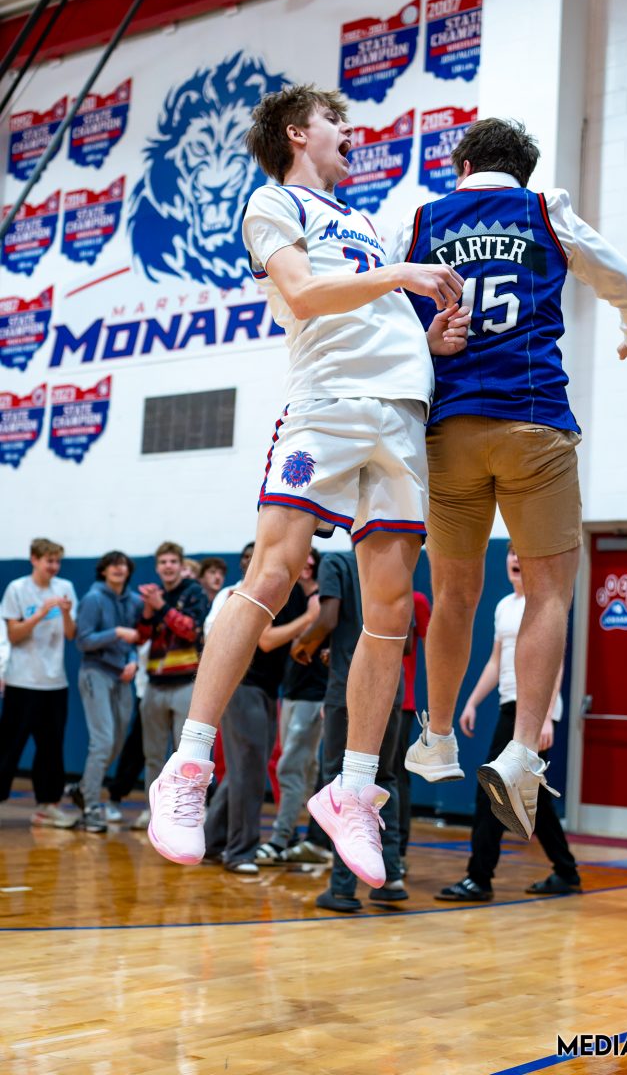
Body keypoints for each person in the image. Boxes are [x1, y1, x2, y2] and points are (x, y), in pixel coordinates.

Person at [146, 82, 468, 888]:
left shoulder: (361, 221)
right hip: (327, 407)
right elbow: (303, 293)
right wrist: (401, 274)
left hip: (401, 413)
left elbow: (371, 313)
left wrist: (426, 339)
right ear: (297, 133)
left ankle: (353, 791)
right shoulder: (273, 203)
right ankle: (187, 767)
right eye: (334, 120)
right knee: (273, 573)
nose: (347, 132)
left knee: (390, 610)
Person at [399, 117, 627, 840]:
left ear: (463, 163)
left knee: (453, 595)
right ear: (523, 169)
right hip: (534, 420)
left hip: (448, 428)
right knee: (548, 593)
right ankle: (520, 756)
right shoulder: (547, 209)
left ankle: (438, 739)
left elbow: (380, 321)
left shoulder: (418, 223)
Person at [436, 546, 581, 902]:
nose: (515, 559)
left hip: (533, 712)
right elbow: (494, 661)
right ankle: (566, 871)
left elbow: (557, 664)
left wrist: (547, 717)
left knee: (493, 790)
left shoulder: (543, 603)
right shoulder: (503, 606)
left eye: (522, 553)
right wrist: (472, 701)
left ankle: (479, 878)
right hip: (508, 707)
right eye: (511, 553)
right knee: (531, 796)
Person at [291, 548, 406, 911]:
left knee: (341, 783)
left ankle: (342, 887)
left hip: (348, 690)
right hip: (391, 690)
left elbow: (327, 617)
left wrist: (304, 643)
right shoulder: (397, 558)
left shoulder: (336, 562)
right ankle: (390, 877)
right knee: (384, 779)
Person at [204, 550, 317, 874]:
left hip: (266, 689)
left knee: (244, 769)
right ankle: (240, 853)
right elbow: (266, 640)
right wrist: (310, 618)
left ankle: (211, 841)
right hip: (243, 686)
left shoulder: (295, 593)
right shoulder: (259, 590)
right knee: (247, 772)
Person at [255, 550, 329, 863]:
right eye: (304, 557)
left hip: (315, 696)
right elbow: (270, 641)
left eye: (312, 558)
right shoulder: (295, 599)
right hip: (292, 692)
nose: (307, 563)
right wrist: (308, 620)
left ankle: (281, 838)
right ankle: (315, 840)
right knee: (305, 769)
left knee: (290, 768)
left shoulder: (328, 598)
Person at [0, 538, 78, 827]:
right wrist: (41, 614)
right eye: (49, 561)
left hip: (55, 682)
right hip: (22, 681)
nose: (54, 566)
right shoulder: (17, 589)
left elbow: (71, 634)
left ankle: (48, 805)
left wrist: (66, 612)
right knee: (9, 747)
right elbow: (14, 635)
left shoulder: (65, 587)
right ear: (34, 559)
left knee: (51, 747)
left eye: (57, 561)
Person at [136, 541, 209, 830]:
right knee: (153, 755)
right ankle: (152, 811)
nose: (167, 566)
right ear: (157, 567)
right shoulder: (156, 596)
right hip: (154, 684)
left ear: (181, 565)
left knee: (186, 755)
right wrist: (147, 611)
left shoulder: (194, 592)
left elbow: (192, 631)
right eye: (163, 562)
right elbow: (141, 637)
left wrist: (161, 607)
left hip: (185, 684)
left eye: (172, 562)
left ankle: (188, 816)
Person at [71, 551, 142, 833]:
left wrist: (133, 661)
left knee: (116, 743)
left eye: (122, 564)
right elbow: (83, 641)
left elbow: (135, 640)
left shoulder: (134, 601)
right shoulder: (93, 598)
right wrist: (117, 633)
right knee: (102, 742)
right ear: (103, 570)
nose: (118, 568)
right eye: (112, 564)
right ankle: (90, 806)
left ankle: (82, 788)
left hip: (122, 676)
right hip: (96, 672)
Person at [396, 590, 431, 869]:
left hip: (401, 703)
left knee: (395, 775)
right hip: (367, 701)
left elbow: (434, 647)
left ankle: (397, 849)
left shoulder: (416, 600)